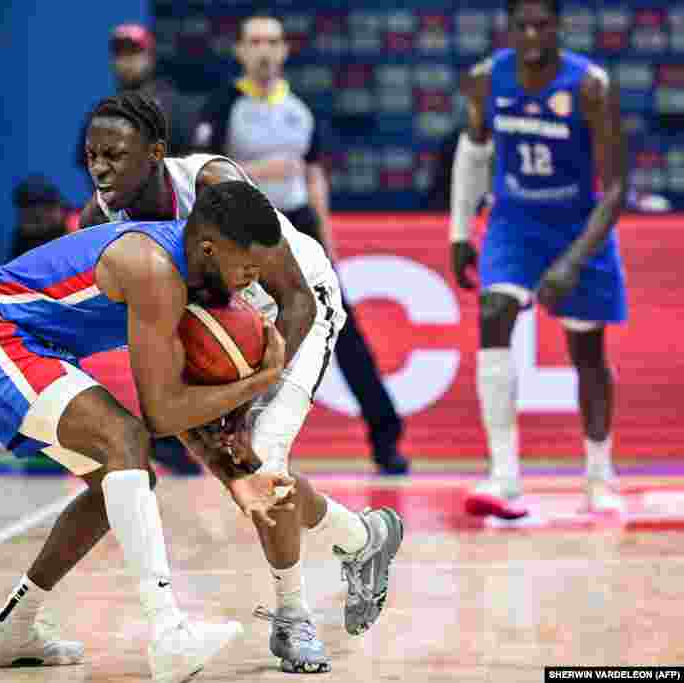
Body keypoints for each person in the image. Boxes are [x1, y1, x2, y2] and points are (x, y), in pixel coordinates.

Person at [77, 92, 404, 672]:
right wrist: (200, 411)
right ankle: (362, 538)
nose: (100, 168)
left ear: (155, 155)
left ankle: (293, 619)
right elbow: (151, 345)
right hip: (219, 332)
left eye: (115, 155)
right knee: (248, 477)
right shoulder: (96, 225)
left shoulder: (213, 183)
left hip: (294, 313)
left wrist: (252, 399)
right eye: (92, 155)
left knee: (265, 458)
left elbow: (296, 294)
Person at [0, 181, 295, 681]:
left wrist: (236, 479)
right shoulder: (152, 268)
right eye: (247, 268)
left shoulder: (192, 274)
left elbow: (170, 402)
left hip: (36, 350)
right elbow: (161, 415)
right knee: (125, 439)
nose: (250, 282)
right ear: (211, 248)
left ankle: (10, 629)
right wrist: (262, 379)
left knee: (123, 482)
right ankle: (168, 633)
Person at [193, 13, 409, 476]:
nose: (265, 50)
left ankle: (385, 436)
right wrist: (262, 171)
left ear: (285, 50)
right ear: (241, 51)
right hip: (242, 232)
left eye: (273, 41)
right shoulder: (222, 106)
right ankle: (192, 436)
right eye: (255, 41)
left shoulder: (301, 109)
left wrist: (327, 239)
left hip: (299, 226)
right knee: (210, 329)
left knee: (340, 328)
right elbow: (204, 173)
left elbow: (312, 174)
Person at [449, 0, 628, 519]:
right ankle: (504, 476)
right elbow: (474, 152)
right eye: (521, 25)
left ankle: (599, 473)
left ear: (559, 28)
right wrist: (460, 231)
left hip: (579, 225)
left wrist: (571, 263)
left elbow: (616, 191)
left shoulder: (590, 86)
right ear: (508, 28)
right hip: (513, 221)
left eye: (542, 24)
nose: (531, 34)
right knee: (492, 313)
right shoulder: (485, 79)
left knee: (587, 350)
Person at [75, 23, 195, 180]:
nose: (127, 61)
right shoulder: (101, 112)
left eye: (134, 53)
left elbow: (189, 161)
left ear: (150, 57)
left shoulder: (173, 106)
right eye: (120, 54)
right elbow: (86, 163)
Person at [10, 175, 79, 259]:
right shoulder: (23, 239)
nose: (39, 215)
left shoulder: (80, 228)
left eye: (48, 207)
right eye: (27, 208)